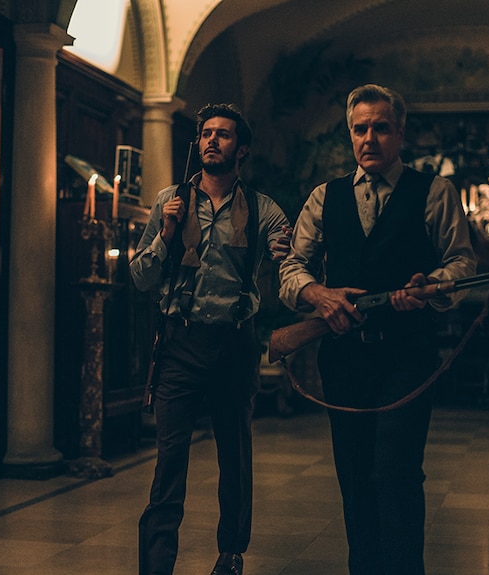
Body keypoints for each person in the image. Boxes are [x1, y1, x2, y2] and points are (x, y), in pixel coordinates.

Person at [278, 84, 477, 575]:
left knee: (396, 472)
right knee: (354, 476)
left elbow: (462, 263)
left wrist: (430, 285)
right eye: (360, 128)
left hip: (408, 355)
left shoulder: (435, 191)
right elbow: (292, 270)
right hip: (344, 360)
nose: (370, 138)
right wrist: (319, 296)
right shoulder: (324, 197)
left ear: (400, 133)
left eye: (380, 127)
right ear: (351, 135)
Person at [131, 103, 291, 575]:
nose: (211, 141)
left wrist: (285, 253)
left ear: (241, 149)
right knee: (168, 461)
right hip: (178, 344)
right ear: (197, 143)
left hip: (235, 343)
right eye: (205, 134)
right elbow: (141, 278)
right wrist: (165, 233)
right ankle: (156, 565)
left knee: (235, 456)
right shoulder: (169, 200)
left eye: (222, 135)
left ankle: (231, 554)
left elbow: (294, 262)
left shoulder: (263, 210)